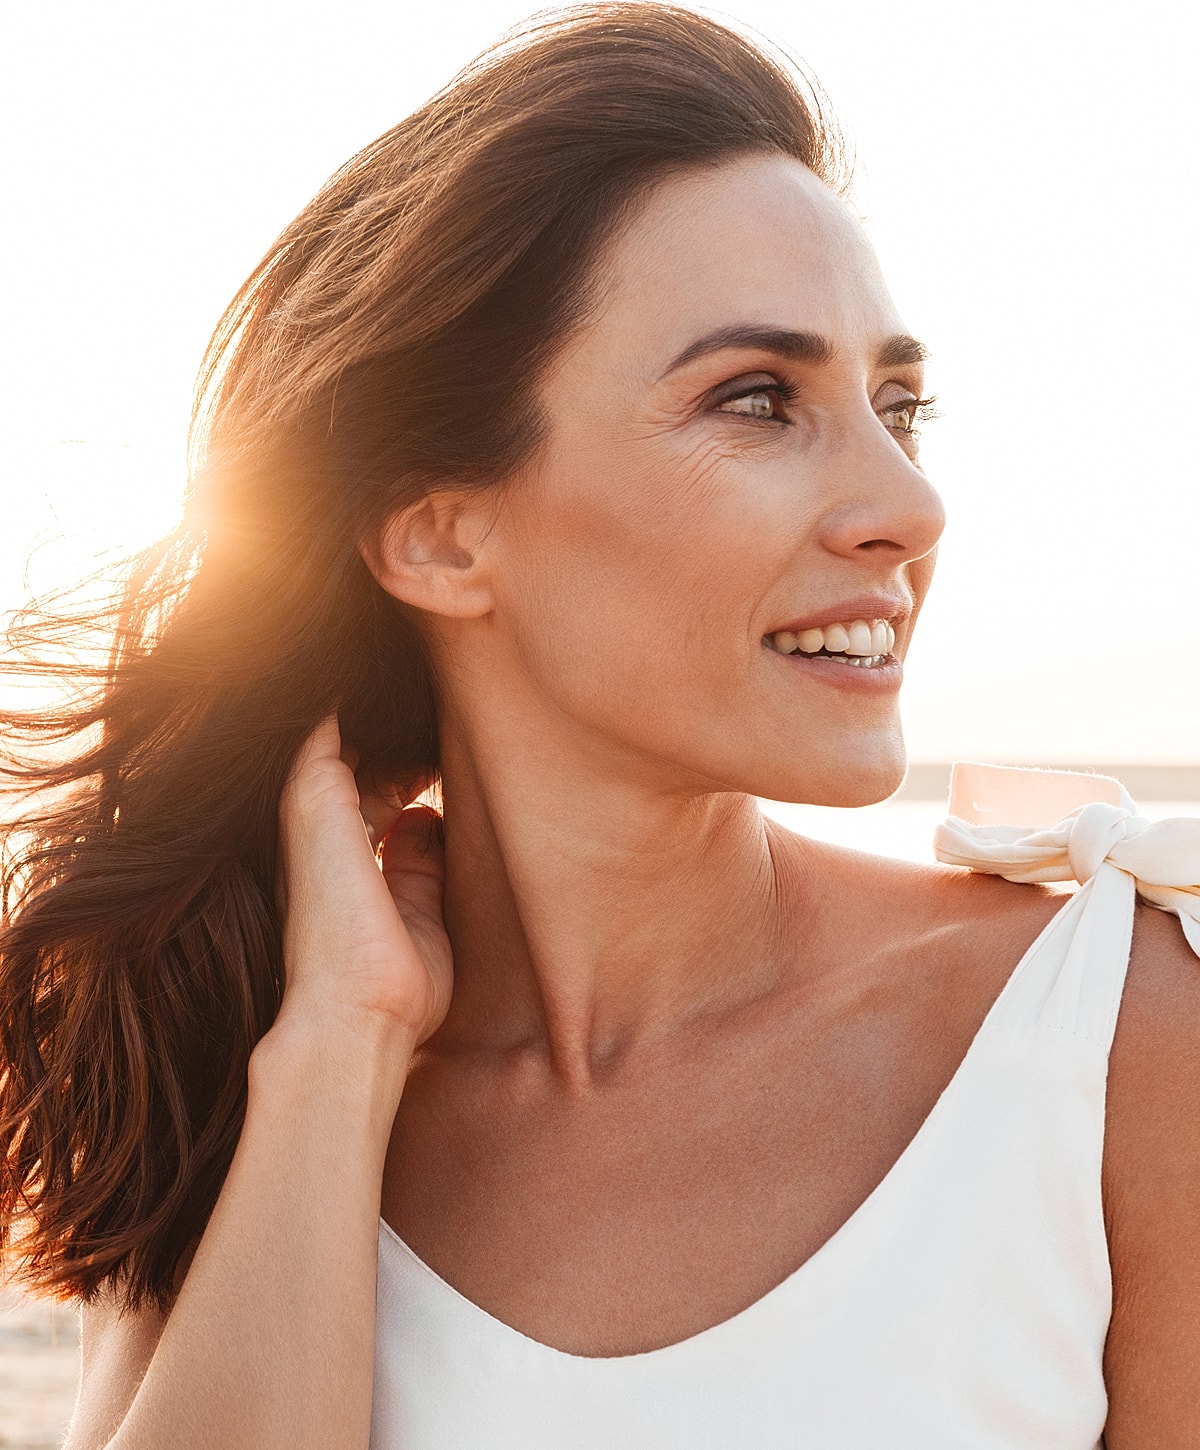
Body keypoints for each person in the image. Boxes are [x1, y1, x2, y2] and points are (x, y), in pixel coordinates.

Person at [2, 4, 1198, 1446]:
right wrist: (337, 1047)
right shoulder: (252, 1090)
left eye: (898, 403)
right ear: (442, 537)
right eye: (757, 399)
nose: (907, 508)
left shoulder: (1111, 1026)